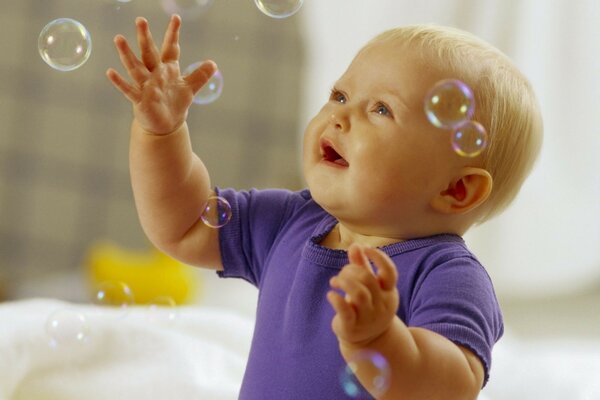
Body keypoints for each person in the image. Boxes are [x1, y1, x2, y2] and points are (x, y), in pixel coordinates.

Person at [106, 14, 542, 400]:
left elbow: (450, 389)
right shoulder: (290, 222)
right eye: (339, 95)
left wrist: (380, 339)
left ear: (458, 190)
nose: (340, 116)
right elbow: (183, 225)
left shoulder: (449, 275)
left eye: (382, 109)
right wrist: (161, 136)